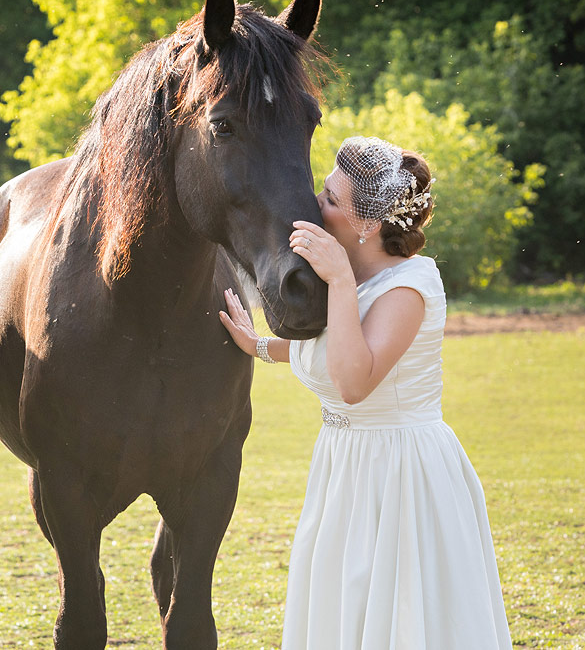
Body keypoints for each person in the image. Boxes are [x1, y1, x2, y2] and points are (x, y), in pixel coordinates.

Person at [219, 136, 513, 650]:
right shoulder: (351, 278)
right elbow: (332, 350)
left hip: (400, 475)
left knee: (401, 615)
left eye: (331, 199)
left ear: (367, 225)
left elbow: (354, 382)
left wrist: (336, 281)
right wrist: (260, 346)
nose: (316, 205)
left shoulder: (408, 286)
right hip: (344, 467)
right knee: (343, 608)